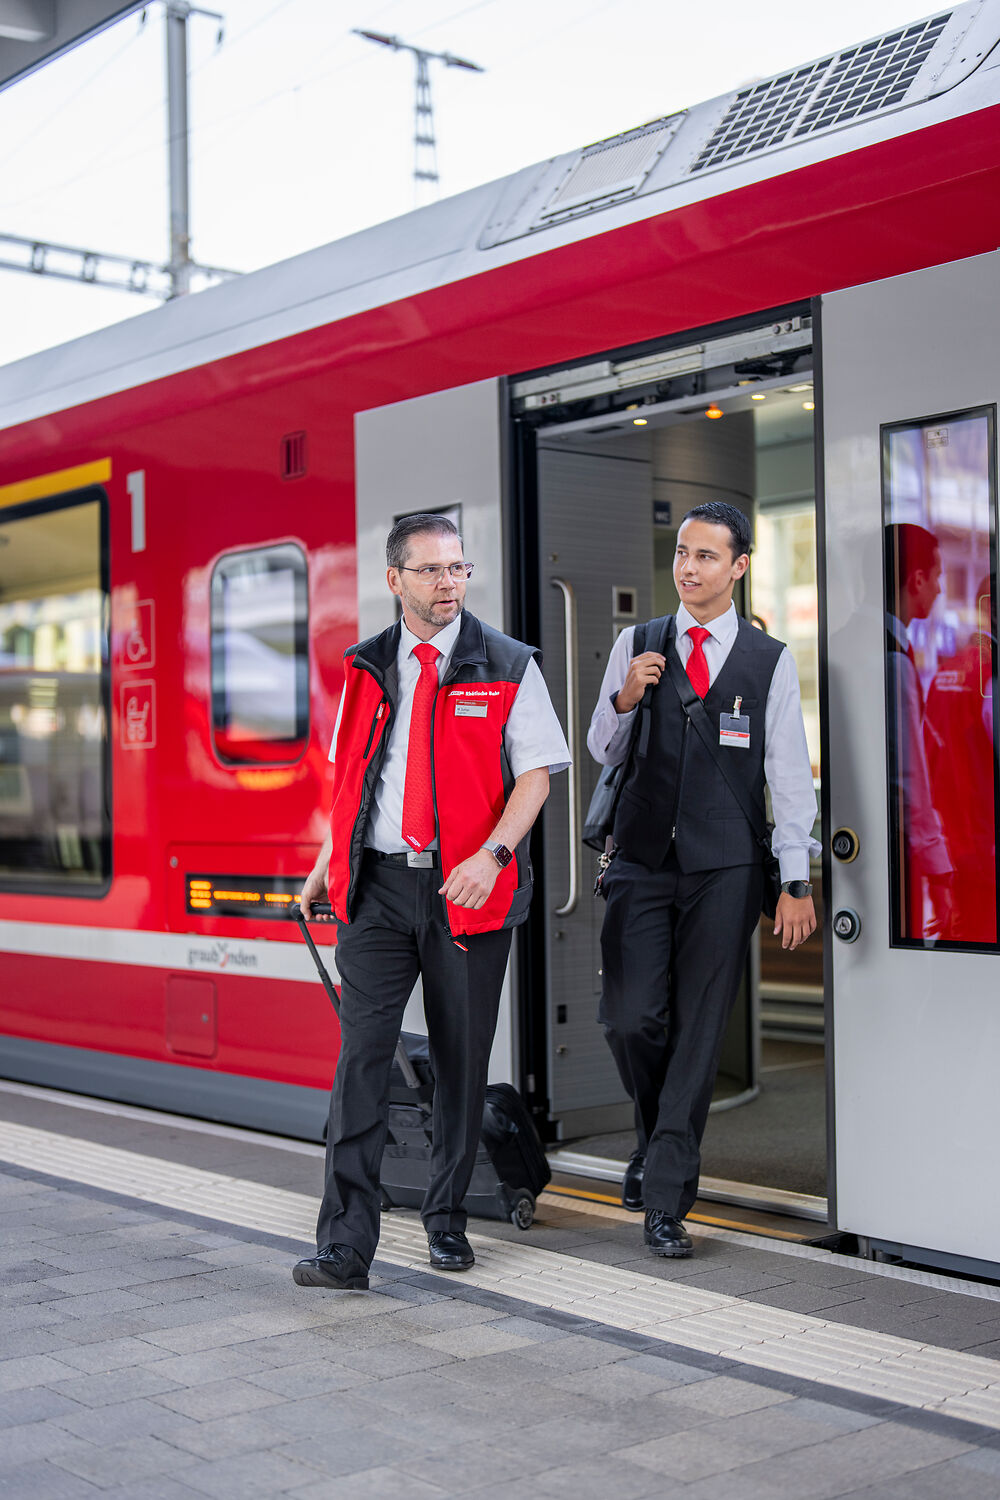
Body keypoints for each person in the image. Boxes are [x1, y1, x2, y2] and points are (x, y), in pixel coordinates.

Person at [294, 512, 570, 1290]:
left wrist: (493, 854)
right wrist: (326, 863)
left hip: (466, 891)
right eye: (432, 571)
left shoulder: (508, 664)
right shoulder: (365, 665)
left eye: (457, 569)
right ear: (395, 580)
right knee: (361, 1061)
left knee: (458, 1061)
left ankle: (446, 1221)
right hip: (377, 889)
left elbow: (538, 776)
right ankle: (346, 1243)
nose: (448, 583)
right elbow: (352, 780)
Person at [587, 501, 819, 1258]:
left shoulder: (768, 659)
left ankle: (666, 1197)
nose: (689, 568)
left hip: (725, 867)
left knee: (697, 1032)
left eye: (707, 556)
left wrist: (795, 879)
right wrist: (626, 696)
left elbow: (787, 776)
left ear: (740, 567)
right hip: (642, 859)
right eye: (683, 553)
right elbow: (599, 746)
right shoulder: (639, 641)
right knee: (629, 1017)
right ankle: (658, 1142)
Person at [884, 522, 954, 941]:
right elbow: (910, 777)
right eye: (939, 576)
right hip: (898, 855)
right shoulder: (895, 659)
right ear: (918, 579)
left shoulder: (865, 643)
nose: (942, 589)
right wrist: (938, 869)